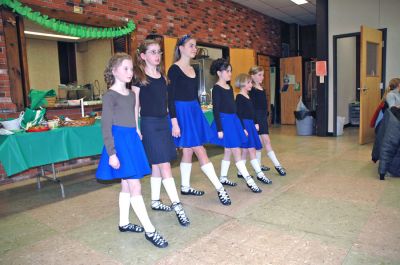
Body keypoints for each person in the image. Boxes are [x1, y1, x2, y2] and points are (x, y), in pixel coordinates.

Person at [96, 53, 168, 248]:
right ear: (114, 71)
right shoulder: (110, 96)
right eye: (125, 69)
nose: (130, 72)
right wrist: (111, 153)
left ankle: (124, 222)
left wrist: (136, 129)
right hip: (119, 144)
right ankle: (150, 230)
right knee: (135, 185)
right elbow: (106, 126)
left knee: (127, 185)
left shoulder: (130, 94)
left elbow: (133, 116)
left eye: (130, 68)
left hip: (131, 140)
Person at [167, 34, 231, 205]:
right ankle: (220, 189)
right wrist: (174, 121)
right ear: (180, 48)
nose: (195, 49)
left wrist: (199, 113)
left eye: (195, 46)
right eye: (191, 46)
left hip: (194, 110)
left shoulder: (194, 69)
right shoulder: (173, 69)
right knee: (200, 150)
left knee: (188, 151)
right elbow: (170, 98)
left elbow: (194, 95)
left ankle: (185, 187)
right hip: (181, 113)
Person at [132, 39, 190, 227]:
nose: (157, 56)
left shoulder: (163, 77)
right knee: (164, 164)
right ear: (143, 56)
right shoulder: (138, 79)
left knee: (158, 164)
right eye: (153, 52)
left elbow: (169, 102)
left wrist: (174, 123)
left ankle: (156, 201)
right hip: (149, 124)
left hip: (164, 123)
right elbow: (135, 105)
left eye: (159, 52)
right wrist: (136, 127)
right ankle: (178, 206)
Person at [209, 59, 270, 192]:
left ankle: (223, 177)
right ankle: (249, 180)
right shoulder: (217, 89)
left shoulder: (230, 87)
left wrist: (241, 126)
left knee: (228, 151)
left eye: (231, 71)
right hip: (225, 122)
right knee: (236, 150)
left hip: (234, 120)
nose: (230, 73)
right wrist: (219, 128)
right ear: (219, 73)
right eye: (228, 71)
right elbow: (216, 109)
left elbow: (234, 108)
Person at [236, 73, 276, 192]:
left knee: (247, 151)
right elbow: (238, 114)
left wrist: (255, 122)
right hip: (245, 126)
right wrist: (243, 128)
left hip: (251, 125)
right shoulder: (239, 97)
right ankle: (259, 174)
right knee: (251, 150)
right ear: (243, 84)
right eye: (249, 82)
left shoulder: (248, 96)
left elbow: (252, 112)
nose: (251, 84)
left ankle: (242, 172)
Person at [249, 66, 286, 176]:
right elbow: (252, 107)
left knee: (260, 143)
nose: (262, 77)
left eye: (263, 75)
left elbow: (263, 105)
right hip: (256, 119)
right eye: (259, 75)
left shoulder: (262, 88)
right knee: (266, 142)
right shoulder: (252, 90)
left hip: (262, 118)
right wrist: (255, 122)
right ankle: (277, 165)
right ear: (252, 76)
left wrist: (265, 115)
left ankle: (259, 165)